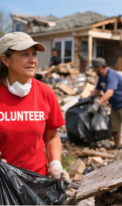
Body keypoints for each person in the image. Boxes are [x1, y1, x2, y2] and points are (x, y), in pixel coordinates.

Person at [0, 32, 70, 186]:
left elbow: (51, 136)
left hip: (37, 182)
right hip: (4, 184)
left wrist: (55, 165)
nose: (32, 60)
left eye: (34, 54)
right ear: (5, 60)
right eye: (24, 54)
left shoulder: (45, 92)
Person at [88, 58, 122, 149]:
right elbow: (96, 91)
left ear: (99, 67)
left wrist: (98, 104)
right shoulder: (101, 77)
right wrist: (87, 99)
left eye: (94, 68)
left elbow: (109, 92)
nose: (93, 70)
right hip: (115, 104)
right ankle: (117, 146)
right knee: (115, 127)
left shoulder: (111, 75)